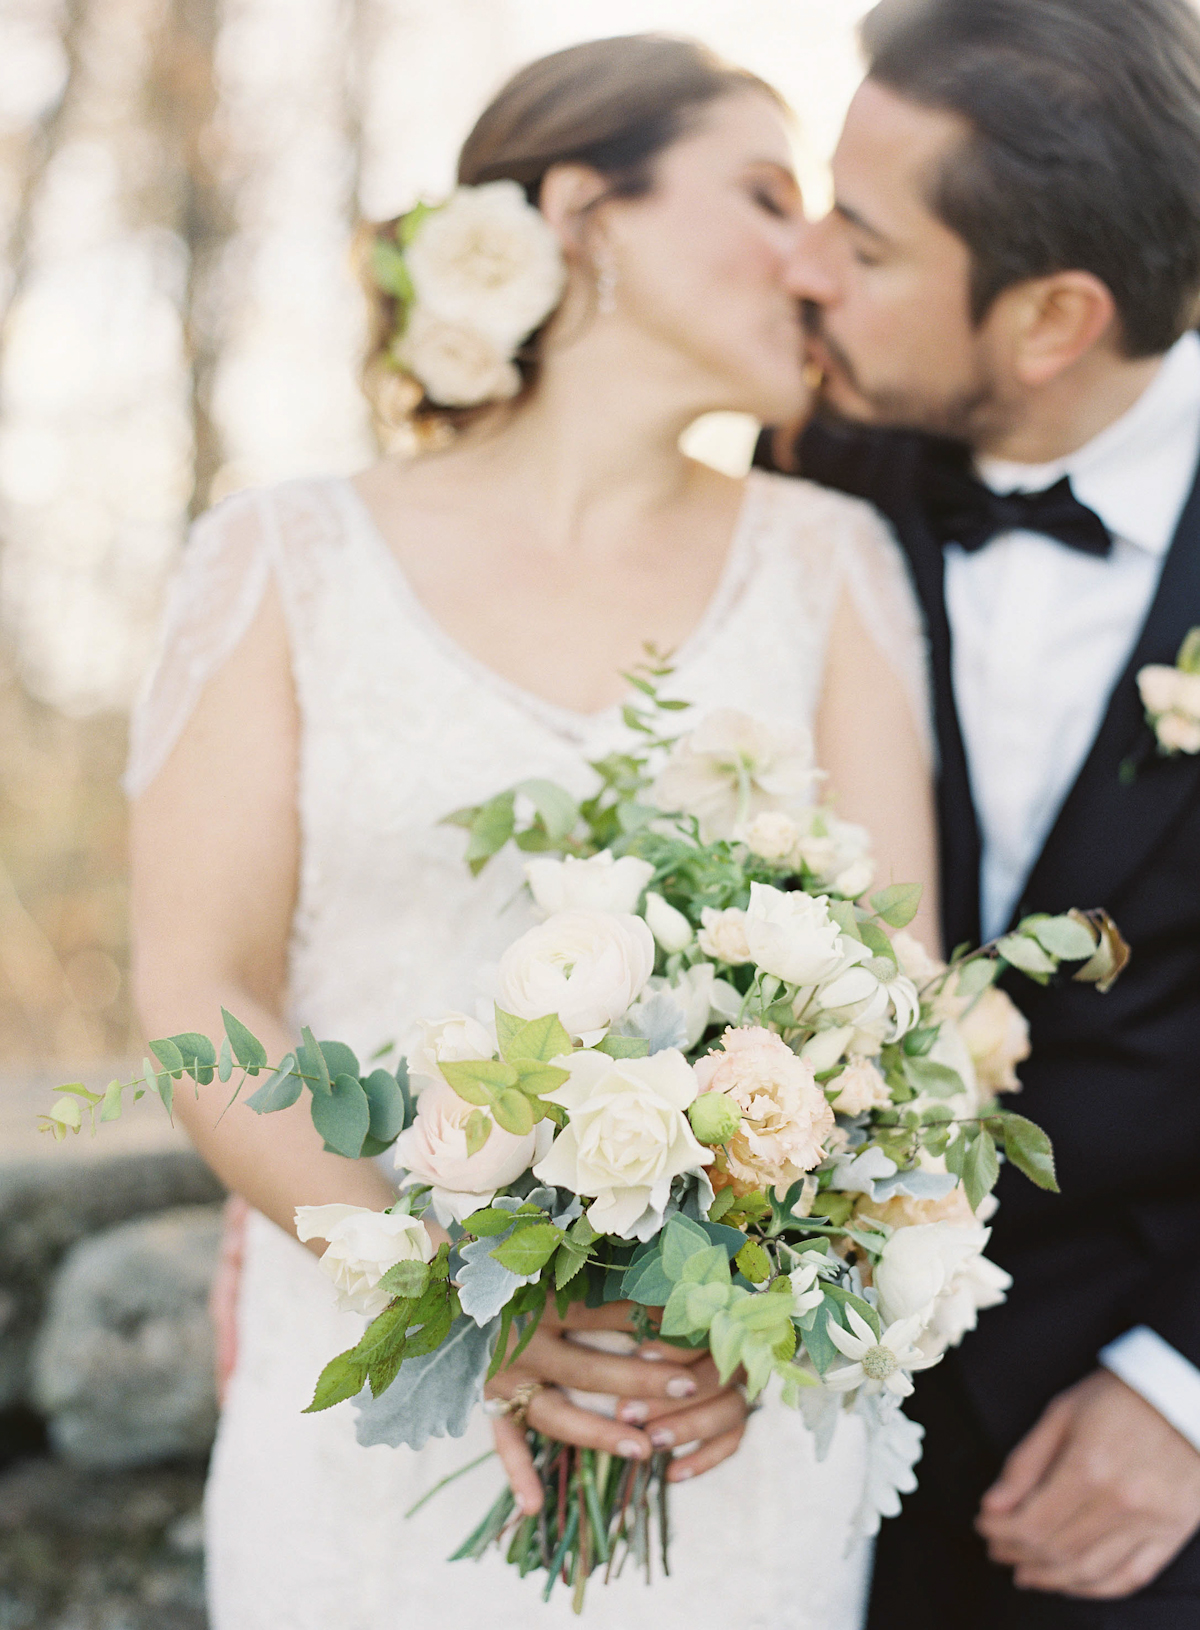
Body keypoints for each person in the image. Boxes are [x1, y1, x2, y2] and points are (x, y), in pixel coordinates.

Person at [128, 36, 937, 1630]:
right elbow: (197, 994)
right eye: (770, 195)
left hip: (718, 1424)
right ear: (584, 213)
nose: (818, 259)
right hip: (368, 1418)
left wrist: (761, 1300)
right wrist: (444, 1301)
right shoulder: (282, 558)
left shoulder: (838, 564)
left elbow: (900, 1002)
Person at [761, 1, 1200, 1624]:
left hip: (1143, 1456)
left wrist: (1184, 1392)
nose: (802, 266)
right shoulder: (808, 465)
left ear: (1053, 320)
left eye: (864, 246)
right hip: (799, 1414)